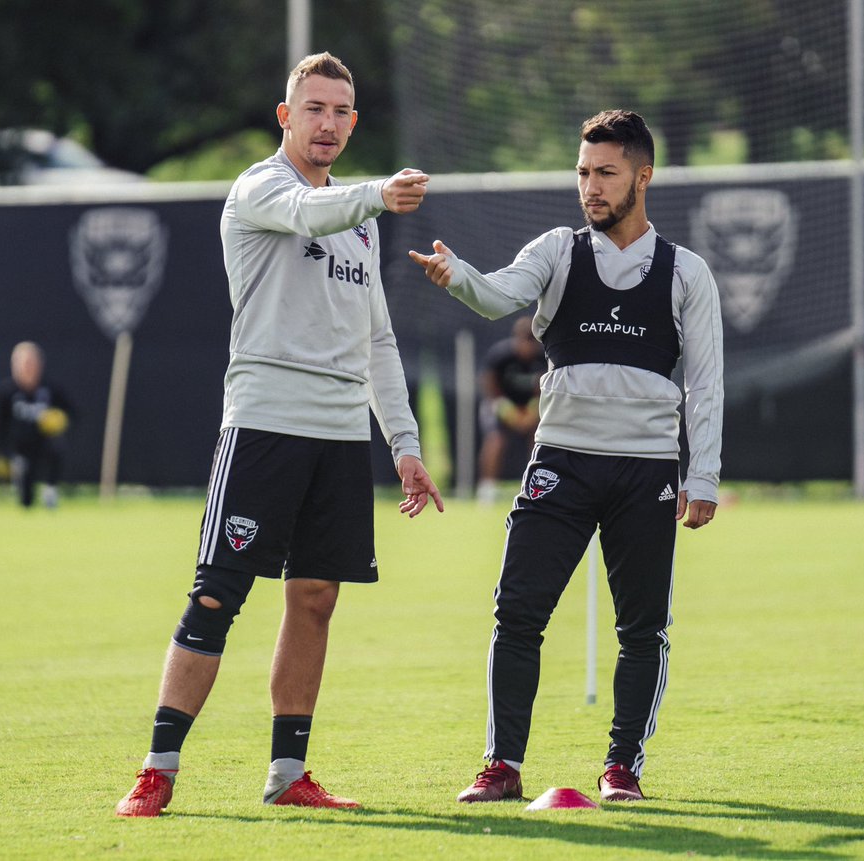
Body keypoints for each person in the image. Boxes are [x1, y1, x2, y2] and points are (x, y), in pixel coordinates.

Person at [116, 52, 444, 818]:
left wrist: (404, 444)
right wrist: (376, 196)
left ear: (353, 123)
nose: (327, 123)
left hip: (337, 440)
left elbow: (379, 345)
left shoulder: (360, 226)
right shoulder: (263, 188)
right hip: (265, 422)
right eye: (314, 108)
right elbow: (308, 213)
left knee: (317, 596)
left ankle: (288, 772)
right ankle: (157, 770)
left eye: (341, 112)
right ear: (285, 116)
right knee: (215, 596)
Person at [409, 109, 723, 803]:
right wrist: (457, 274)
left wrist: (701, 476)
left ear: (643, 177)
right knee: (517, 612)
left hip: (647, 474)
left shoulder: (687, 273)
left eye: (606, 173)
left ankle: (622, 770)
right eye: (583, 173)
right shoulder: (556, 250)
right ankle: (501, 766)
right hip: (561, 465)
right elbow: (498, 294)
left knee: (643, 628)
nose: (591, 187)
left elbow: (706, 382)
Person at [475, 315, 546, 504]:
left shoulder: (543, 357)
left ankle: (537, 488)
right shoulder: (501, 355)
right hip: (500, 405)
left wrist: (531, 413)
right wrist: (509, 412)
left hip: (532, 409)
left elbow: (545, 390)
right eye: (524, 341)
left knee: (540, 441)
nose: (527, 347)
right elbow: (490, 388)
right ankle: (487, 490)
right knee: (496, 440)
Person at [0, 341, 72, 508]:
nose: (26, 367)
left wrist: (60, 419)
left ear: (39, 364)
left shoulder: (51, 389)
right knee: (26, 501)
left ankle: (50, 490)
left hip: (45, 444)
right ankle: (24, 491)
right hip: (21, 449)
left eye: (30, 362)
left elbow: (73, 413)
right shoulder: (6, 391)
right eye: (22, 363)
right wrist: (2, 454)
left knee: (57, 445)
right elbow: (0, 425)